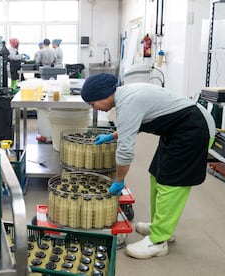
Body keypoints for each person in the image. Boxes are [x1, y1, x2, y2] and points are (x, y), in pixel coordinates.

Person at [81, 73, 215, 259]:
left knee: (171, 184)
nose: (94, 108)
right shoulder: (125, 96)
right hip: (176, 130)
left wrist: (119, 181)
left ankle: (159, 241)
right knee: (157, 174)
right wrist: (111, 136)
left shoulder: (128, 102)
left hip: (194, 129)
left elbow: (125, 152)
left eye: (92, 103)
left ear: (103, 95)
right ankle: (159, 226)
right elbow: (131, 125)